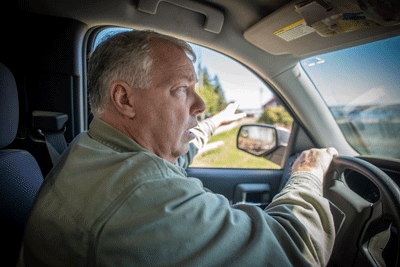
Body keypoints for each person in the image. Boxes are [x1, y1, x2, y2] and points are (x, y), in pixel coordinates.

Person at [18, 30, 338, 266]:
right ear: (125, 99)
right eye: (182, 89)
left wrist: (218, 122)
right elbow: (293, 251)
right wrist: (307, 174)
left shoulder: (91, 148)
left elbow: (181, 149)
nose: (200, 105)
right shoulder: (141, 194)